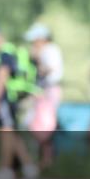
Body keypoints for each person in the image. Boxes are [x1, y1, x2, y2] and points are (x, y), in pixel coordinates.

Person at [0, 25, 39, 179]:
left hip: (5, 98)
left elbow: (2, 77)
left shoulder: (4, 53)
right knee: (11, 133)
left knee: (5, 132)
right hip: (12, 97)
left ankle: (7, 171)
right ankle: (29, 167)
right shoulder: (7, 51)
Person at [24, 23, 62, 169]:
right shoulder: (49, 50)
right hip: (45, 92)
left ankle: (46, 161)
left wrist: (37, 59)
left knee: (43, 127)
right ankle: (44, 160)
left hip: (48, 92)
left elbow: (48, 69)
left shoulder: (50, 50)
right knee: (39, 125)